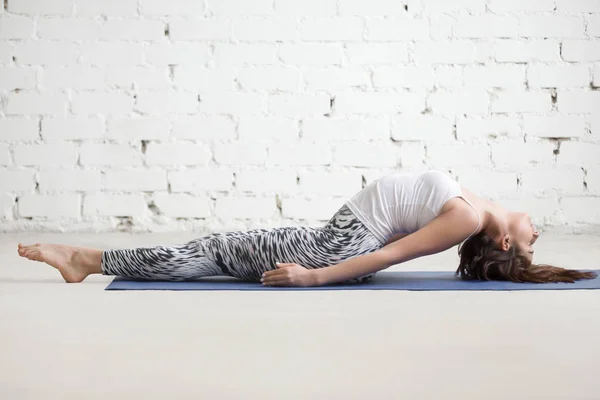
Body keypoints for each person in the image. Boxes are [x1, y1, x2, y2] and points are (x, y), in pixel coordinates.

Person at [16, 170, 596, 286]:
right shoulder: (472, 206)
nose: (535, 233)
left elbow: (386, 255)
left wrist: (314, 277)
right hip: (334, 235)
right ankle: (88, 261)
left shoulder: (467, 217)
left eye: (528, 243)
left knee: (218, 251)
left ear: (501, 243)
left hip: (333, 246)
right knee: (220, 254)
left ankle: (86, 260)